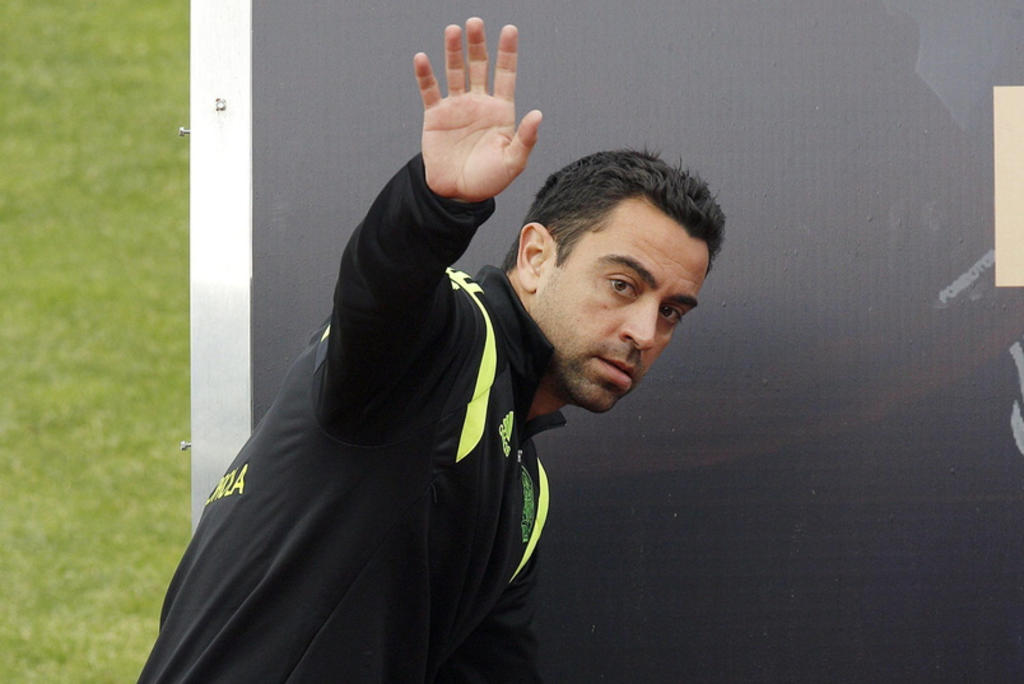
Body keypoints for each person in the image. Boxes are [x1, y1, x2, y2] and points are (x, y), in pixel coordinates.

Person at [139, 17, 724, 683]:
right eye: (622, 285)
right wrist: (435, 205)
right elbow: (380, 294)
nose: (644, 331)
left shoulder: (524, 496)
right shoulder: (451, 337)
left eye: (671, 311)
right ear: (536, 257)